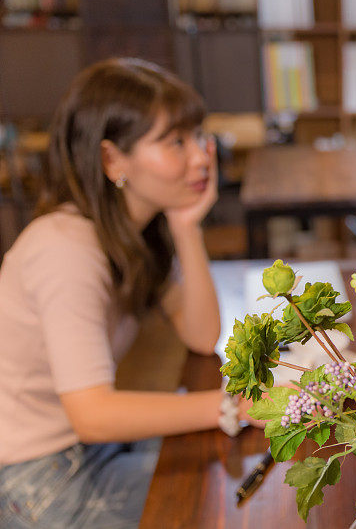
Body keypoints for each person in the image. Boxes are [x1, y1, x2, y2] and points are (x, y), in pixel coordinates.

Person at [0, 58, 251, 528]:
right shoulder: (64, 248)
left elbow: (202, 334)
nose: (201, 157)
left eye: (199, 136)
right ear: (113, 159)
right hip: (36, 477)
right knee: (222, 501)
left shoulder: (135, 230)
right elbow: (93, 414)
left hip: (89, 449)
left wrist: (186, 226)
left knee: (234, 469)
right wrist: (233, 406)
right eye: (176, 141)